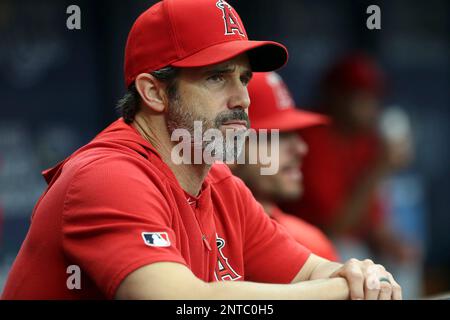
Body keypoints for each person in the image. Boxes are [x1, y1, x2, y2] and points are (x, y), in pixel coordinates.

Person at [2, 1, 401, 300]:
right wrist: (342, 289)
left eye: (243, 77)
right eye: (216, 78)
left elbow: (309, 268)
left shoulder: (220, 182)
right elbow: (182, 302)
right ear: (153, 92)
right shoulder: (107, 175)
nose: (242, 98)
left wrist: (356, 274)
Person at [278, 53, 416, 263]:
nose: (371, 106)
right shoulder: (309, 140)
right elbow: (334, 227)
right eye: (361, 97)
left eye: (374, 97)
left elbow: (372, 220)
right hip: (305, 243)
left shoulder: (365, 140)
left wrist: (391, 241)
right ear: (335, 95)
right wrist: (380, 168)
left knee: (402, 256)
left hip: (349, 242)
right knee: (351, 253)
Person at [230, 72, 339, 262]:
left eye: (294, 133)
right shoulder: (188, 237)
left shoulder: (309, 245)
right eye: (276, 135)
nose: (301, 148)